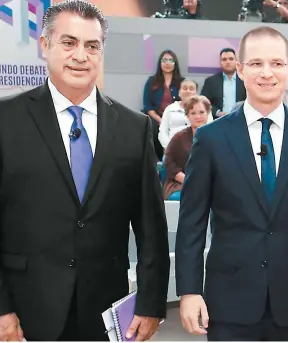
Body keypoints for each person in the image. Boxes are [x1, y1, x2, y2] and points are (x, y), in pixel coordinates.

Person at [0, 0, 170, 341]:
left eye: (92, 46)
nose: (81, 55)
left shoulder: (134, 128)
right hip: (24, 310)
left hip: (105, 311)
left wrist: (151, 304)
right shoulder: (6, 120)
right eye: (68, 42)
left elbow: (151, 228)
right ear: (45, 45)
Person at [175, 26, 288, 341]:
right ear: (240, 69)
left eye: (277, 64)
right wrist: (188, 291)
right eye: (255, 64)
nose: (267, 73)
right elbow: (192, 222)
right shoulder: (211, 138)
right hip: (228, 300)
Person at [162, 95, 213, 200]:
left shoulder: (217, 136)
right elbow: (169, 163)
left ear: (208, 113)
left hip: (211, 184)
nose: (198, 117)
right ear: (187, 116)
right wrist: (188, 180)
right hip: (181, 183)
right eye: (193, 113)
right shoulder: (178, 138)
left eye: (202, 112)